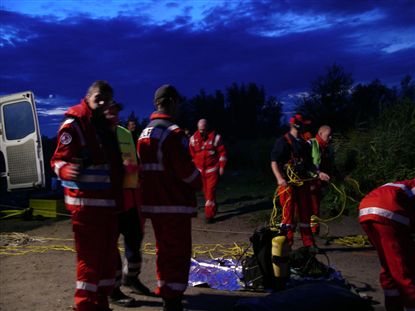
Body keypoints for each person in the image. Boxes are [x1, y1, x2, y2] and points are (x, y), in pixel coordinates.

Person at [50, 80, 123, 311]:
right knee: (89, 263)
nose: (102, 103)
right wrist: (64, 169)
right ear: (88, 96)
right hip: (86, 207)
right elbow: (57, 160)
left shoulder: (103, 127)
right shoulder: (74, 125)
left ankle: (100, 304)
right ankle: (84, 307)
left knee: (106, 262)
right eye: (98, 97)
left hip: (106, 207)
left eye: (106, 99)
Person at [137, 84, 202, 311]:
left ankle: (166, 291)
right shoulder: (173, 133)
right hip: (174, 204)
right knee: (177, 253)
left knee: (163, 251)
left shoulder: (145, 131)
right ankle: (173, 301)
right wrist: (199, 180)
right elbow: (186, 172)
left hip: (153, 204)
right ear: (172, 102)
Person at [104, 103, 150, 308]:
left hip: (129, 198)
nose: (113, 114)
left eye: (116, 110)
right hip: (109, 202)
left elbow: (133, 161)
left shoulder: (124, 132)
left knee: (135, 240)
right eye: (109, 110)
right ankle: (113, 291)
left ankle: (130, 278)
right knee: (109, 248)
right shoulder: (96, 134)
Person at [270, 114, 329, 247]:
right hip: (288, 184)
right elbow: (274, 162)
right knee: (288, 216)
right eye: (303, 124)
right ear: (296, 125)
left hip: (302, 183)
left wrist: (319, 173)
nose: (306, 127)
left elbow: (309, 164)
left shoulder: (304, 144)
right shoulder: (283, 142)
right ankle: (286, 244)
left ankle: (309, 244)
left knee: (305, 214)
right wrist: (280, 178)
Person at [359, 179, 415, 311]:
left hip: (366, 212)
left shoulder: (405, 185)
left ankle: (393, 304)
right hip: (388, 212)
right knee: (403, 266)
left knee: (389, 265)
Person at [189, 119, 227, 223]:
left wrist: (222, 167)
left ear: (207, 128)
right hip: (200, 172)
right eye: (200, 130)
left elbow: (222, 153)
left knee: (210, 192)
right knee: (206, 193)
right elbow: (191, 155)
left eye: (203, 130)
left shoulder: (216, 138)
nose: (201, 132)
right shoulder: (193, 139)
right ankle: (213, 206)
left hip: (212, 171)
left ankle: (209, 216)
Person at [308, 125, 333, 234]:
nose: (331, 137)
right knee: (312, 208)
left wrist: (341, 177)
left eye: (331, 135)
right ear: (321, 134)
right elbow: (305, 164)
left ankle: (313, 231)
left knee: (315, 207)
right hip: (308, 181)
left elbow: (331, 165)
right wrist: (317, 174)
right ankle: (312, 231)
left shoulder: (327, 148)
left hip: (318, 182)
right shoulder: (311, 144)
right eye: (328, 135)